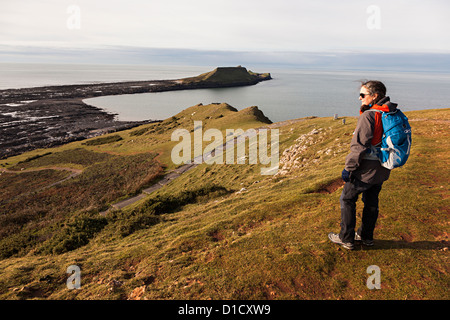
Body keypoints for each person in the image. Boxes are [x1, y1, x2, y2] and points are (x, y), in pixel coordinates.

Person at [328, 80, 398, 250]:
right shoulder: (392, 112)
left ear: (375, 96)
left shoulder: (369, 115)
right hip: (383, 167)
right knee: (372, 200)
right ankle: (366, 237)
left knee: (347, 199)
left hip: (366, 169)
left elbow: (359, 146)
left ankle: (346, 238)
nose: (360, 98)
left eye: (363, 95)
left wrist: (349, 168)